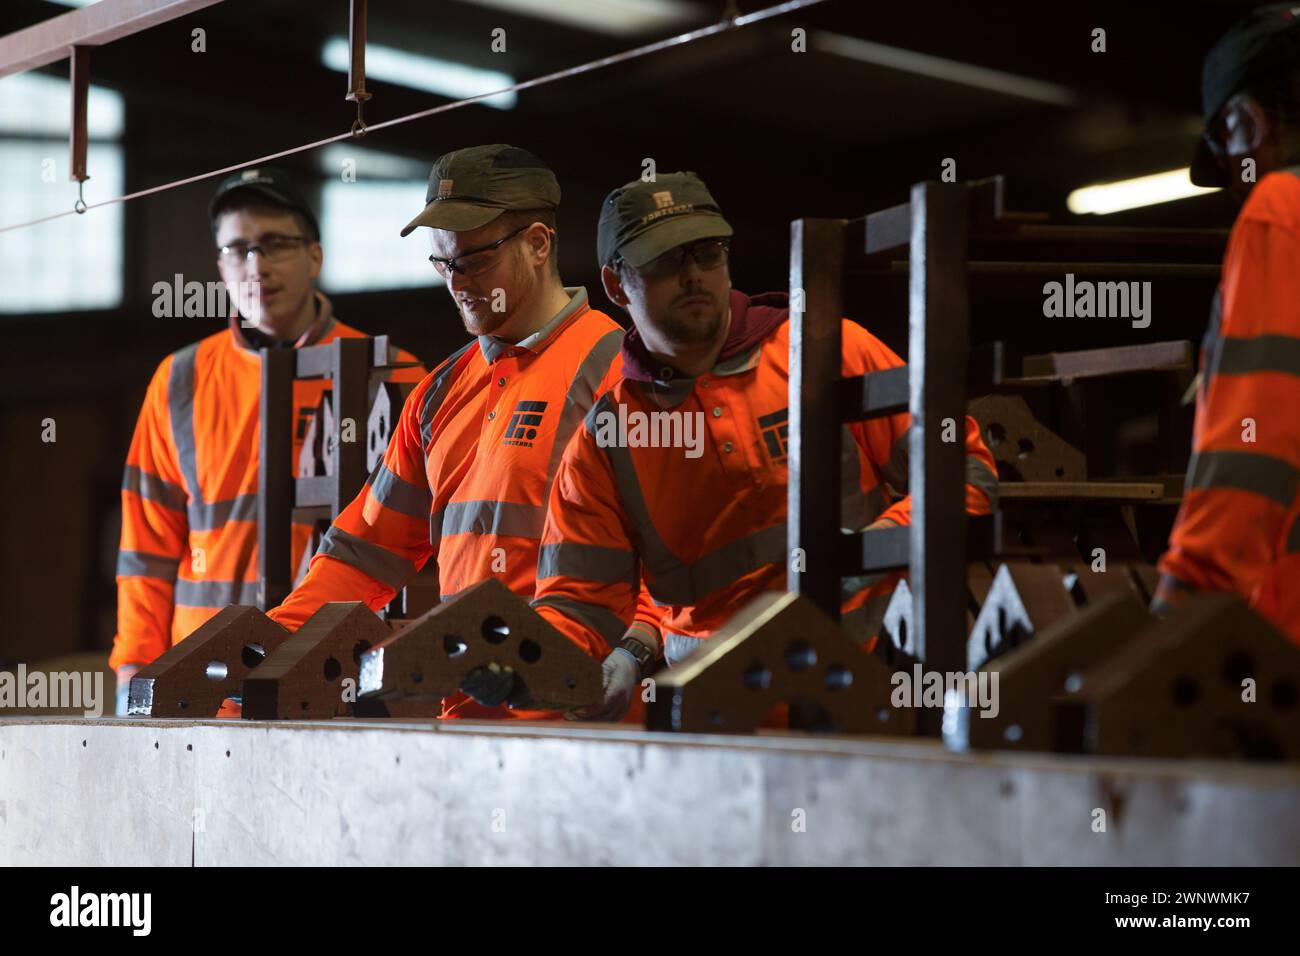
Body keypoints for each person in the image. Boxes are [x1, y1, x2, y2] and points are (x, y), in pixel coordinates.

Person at [533, 171, 998, 720]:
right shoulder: (607, 440)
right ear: (616, 285)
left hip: (873, 691)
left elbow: (966, 475)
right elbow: (580, 605)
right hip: (722, 720)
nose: (693, 277)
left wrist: (872, 552)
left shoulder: (827, 352)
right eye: (664, 261)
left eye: (707, 254)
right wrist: (544, 668)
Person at [266, 144, 662, 719]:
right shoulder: (439, 393)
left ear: (537, 244)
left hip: (583, 724)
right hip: (469, 726)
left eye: (475, 260)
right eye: (442, 264)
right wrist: (270, 652)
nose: (456, 283)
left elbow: (671, 551)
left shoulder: (618, 374)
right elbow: (365, 553)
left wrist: (634, 648)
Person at [111, 168, 425, 714]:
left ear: (315, 256)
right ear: (219, 266)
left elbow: (417, 545)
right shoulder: (178, 381)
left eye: (276, 244)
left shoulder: (392, 378)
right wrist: (135, 672)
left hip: (339, 682)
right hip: (202, 682)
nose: (256, 265)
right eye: (238, 248)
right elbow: (146, 549)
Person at [1154, 4, 1300, 644]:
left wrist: (1182, 605)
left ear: (1246, 122)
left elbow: (1255, 446)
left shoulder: (1283, 208)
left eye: (1225, 151)